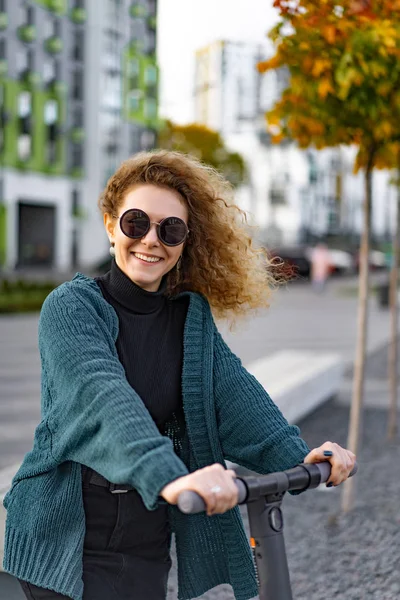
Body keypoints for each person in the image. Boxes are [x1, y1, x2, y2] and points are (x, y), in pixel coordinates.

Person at [3, 151, 355, 600]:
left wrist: (302, 458)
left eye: (170, 230)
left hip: (147, 534)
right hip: (65, 534)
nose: (151, 240)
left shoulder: (189, 319)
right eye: (136, 223)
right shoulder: (71, 308)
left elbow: (238, 400)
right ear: (111, 226)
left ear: (185, 242)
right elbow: (103, 399)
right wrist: (171, 475)